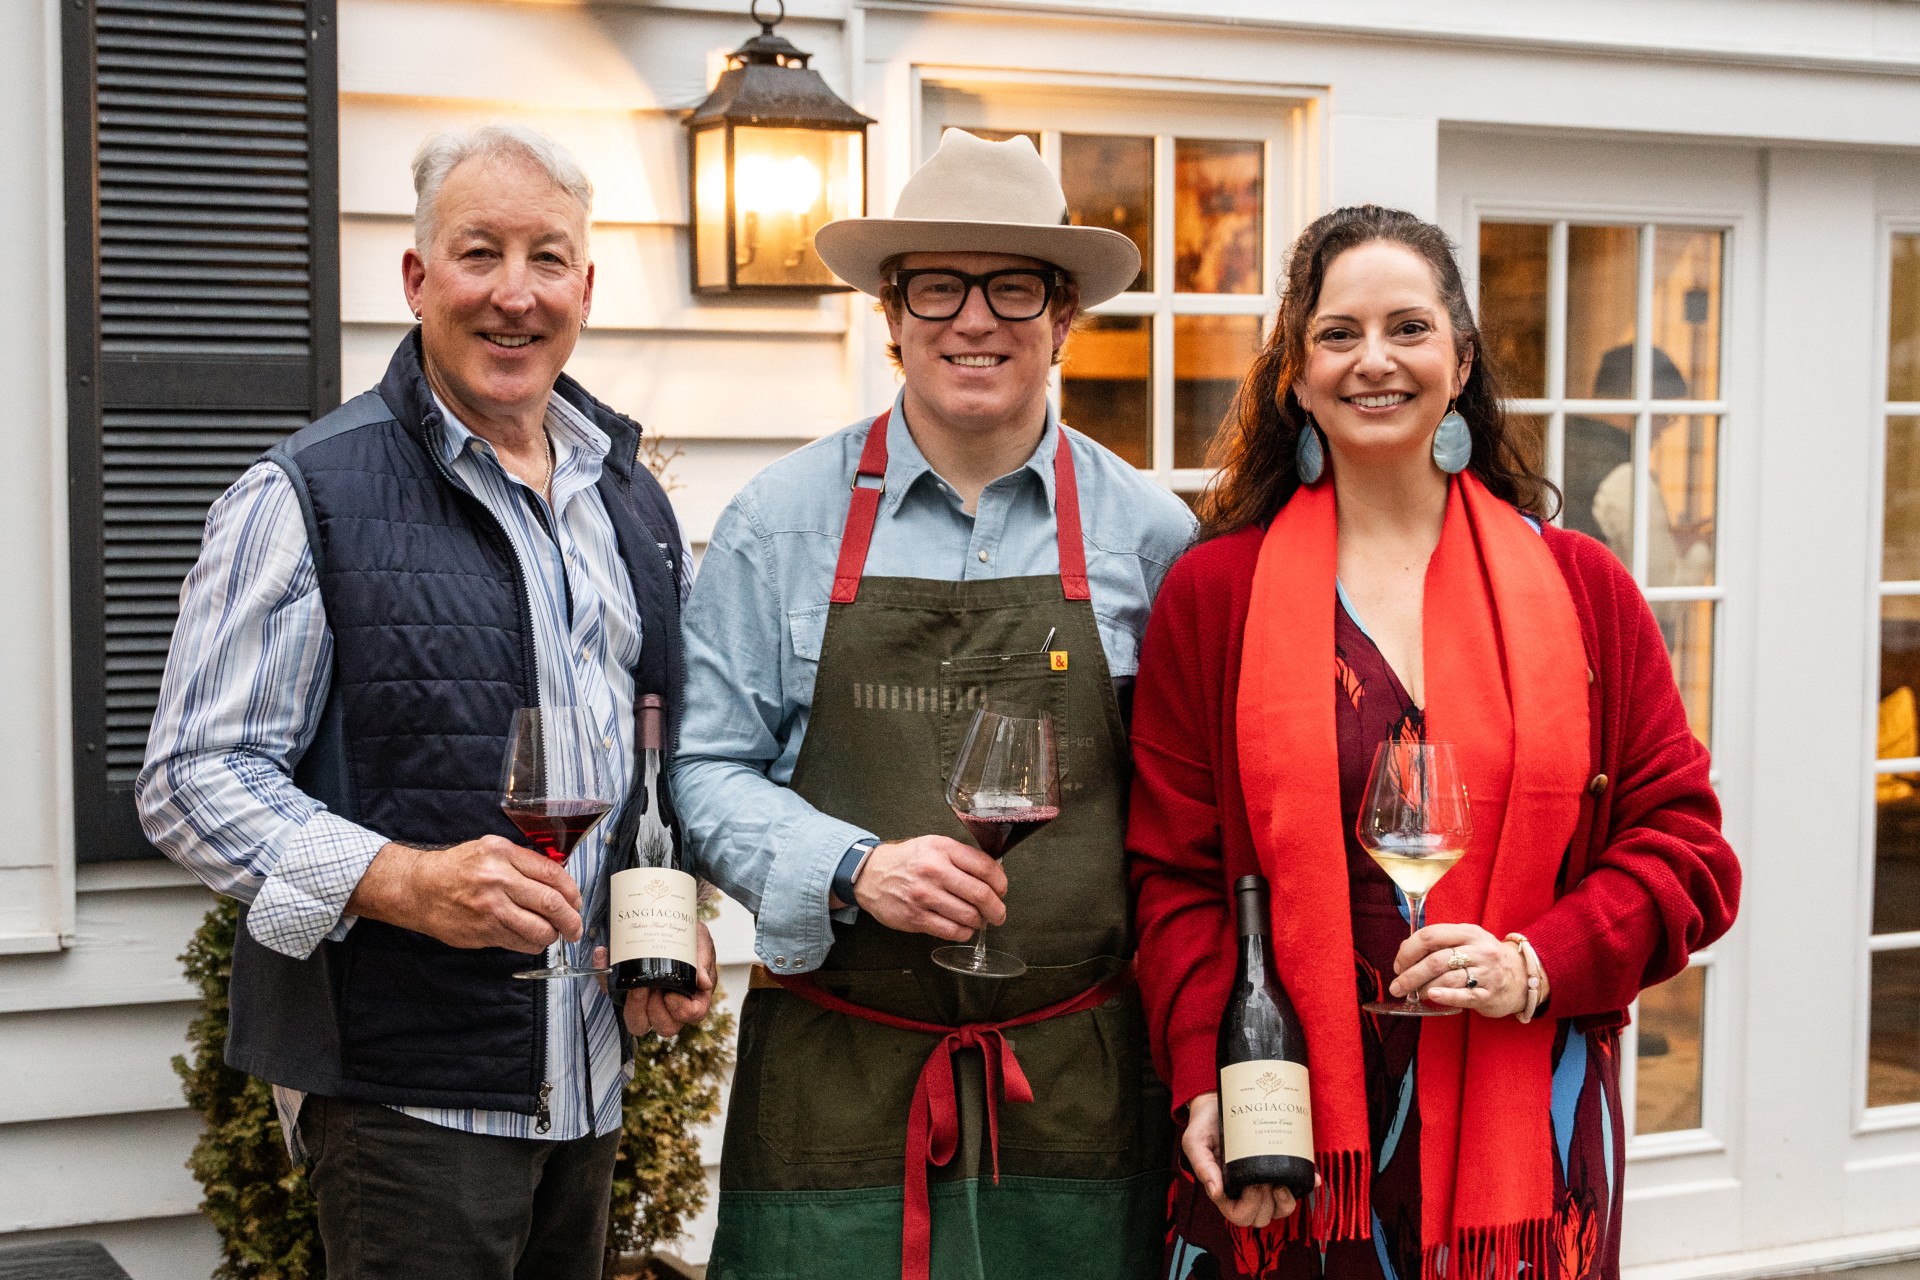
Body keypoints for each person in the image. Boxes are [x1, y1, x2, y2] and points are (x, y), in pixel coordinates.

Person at [136, 125, 716, 1277]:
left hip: (591, 1075)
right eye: (479, 253)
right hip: (407, 1101)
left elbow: (662, 753)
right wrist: (399, 878)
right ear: (416, 278)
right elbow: (193, 779)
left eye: (548, 258)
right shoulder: (303, 491)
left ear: (585, 287)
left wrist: (664, 920)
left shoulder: (629, 501)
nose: (515, 293)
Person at [1127, 206, 1740, 1280]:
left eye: (1408, 328)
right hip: (1285, 1124)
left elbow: (1688, 851)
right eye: (1337, 333)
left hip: (1528, 1128)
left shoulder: (1584, 590)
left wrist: (1536, 963)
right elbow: (1172, 876)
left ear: (1460, 361)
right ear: (1296, 374)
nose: (1374, 360)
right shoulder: (1211, 597)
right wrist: (1200, 1076)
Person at [677, 129, 1195, 1280]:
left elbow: (1192, 820)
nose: (975, 319)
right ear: (891, 312)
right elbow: (704, 772)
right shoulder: (779, 522)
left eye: (1014, 287)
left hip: (1076, 1085)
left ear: (1063, 317)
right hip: (838, 1083)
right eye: (938, 285)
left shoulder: (1152, 539)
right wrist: (853, 864)